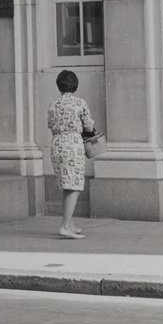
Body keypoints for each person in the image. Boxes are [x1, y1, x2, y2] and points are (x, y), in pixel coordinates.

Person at [47, 69, 95, 239]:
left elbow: (50, 125)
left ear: (59, 85)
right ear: (75, 85)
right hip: (73, 145)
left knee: (67, 184)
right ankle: (65, 226)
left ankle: (69, 223)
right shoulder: (80, 103)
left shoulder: (53, 105)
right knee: (75, 185)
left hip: (56, 145)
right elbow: (89, 126)